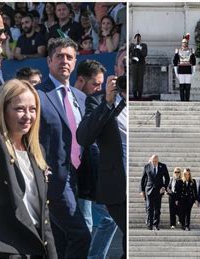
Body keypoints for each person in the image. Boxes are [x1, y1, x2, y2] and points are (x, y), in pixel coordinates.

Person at [36, 37, 90, 258]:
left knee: (58, 242)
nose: (64, 61)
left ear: (75, 62)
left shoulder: (81, 97)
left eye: (69, 57)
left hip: (77, 177)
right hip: (52, 179)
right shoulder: (38, 95)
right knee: (81, 235)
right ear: (49, 61)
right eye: (59, 56)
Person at [0, 79, 57, 258]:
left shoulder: (38, 152)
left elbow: (43, 212)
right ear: (3, 110)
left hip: (35, 247)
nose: (28, 116)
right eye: (19, 109)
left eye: (32, 109)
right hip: (6, 249)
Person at [74, 58, 120, 258]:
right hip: (74, 172)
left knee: (108, 218)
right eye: (96, 84)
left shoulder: (98, 102)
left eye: (102, 84)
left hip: (93, 173)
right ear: (81, 81)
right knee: (84, 222)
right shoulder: (72, 101)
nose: (99, 88)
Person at [140, 154, 169, 231]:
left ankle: (156, 224)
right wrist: (142, 190)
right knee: (149, 208)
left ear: (158, 160)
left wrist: (164, 187)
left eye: (156, 161)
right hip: (149, 190)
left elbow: (167, 178)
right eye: (153, 161)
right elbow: (143, 179)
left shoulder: (163, 166)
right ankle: (150, 224)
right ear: (151, 160)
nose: (154, 162)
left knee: (157, 208)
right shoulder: (147, 166)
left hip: (159, 191)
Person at [173, 33, 195, 101]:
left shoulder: (191, 51)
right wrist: (176, 71)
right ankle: (182, 100)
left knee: (187, 87)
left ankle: (187, 100)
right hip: (181, 71)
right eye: (183, 42)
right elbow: (175, 62)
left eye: (185, 42)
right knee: (182, 86)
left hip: (188, 71)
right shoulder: (178, 51)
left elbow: (193, 62)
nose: (184, 44)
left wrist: (193, 71)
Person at [130, 33, 147, 99]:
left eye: (139, 38)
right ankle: (134, 94)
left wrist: (140, 48)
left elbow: (145, 54)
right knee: (134, 79)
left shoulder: (144, 45)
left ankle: (140, 94)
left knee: (140, 80)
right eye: (136, 38)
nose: (137, 40)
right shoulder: (132, 45)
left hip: (141, 64)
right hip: (134, 64)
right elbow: (129, 54)